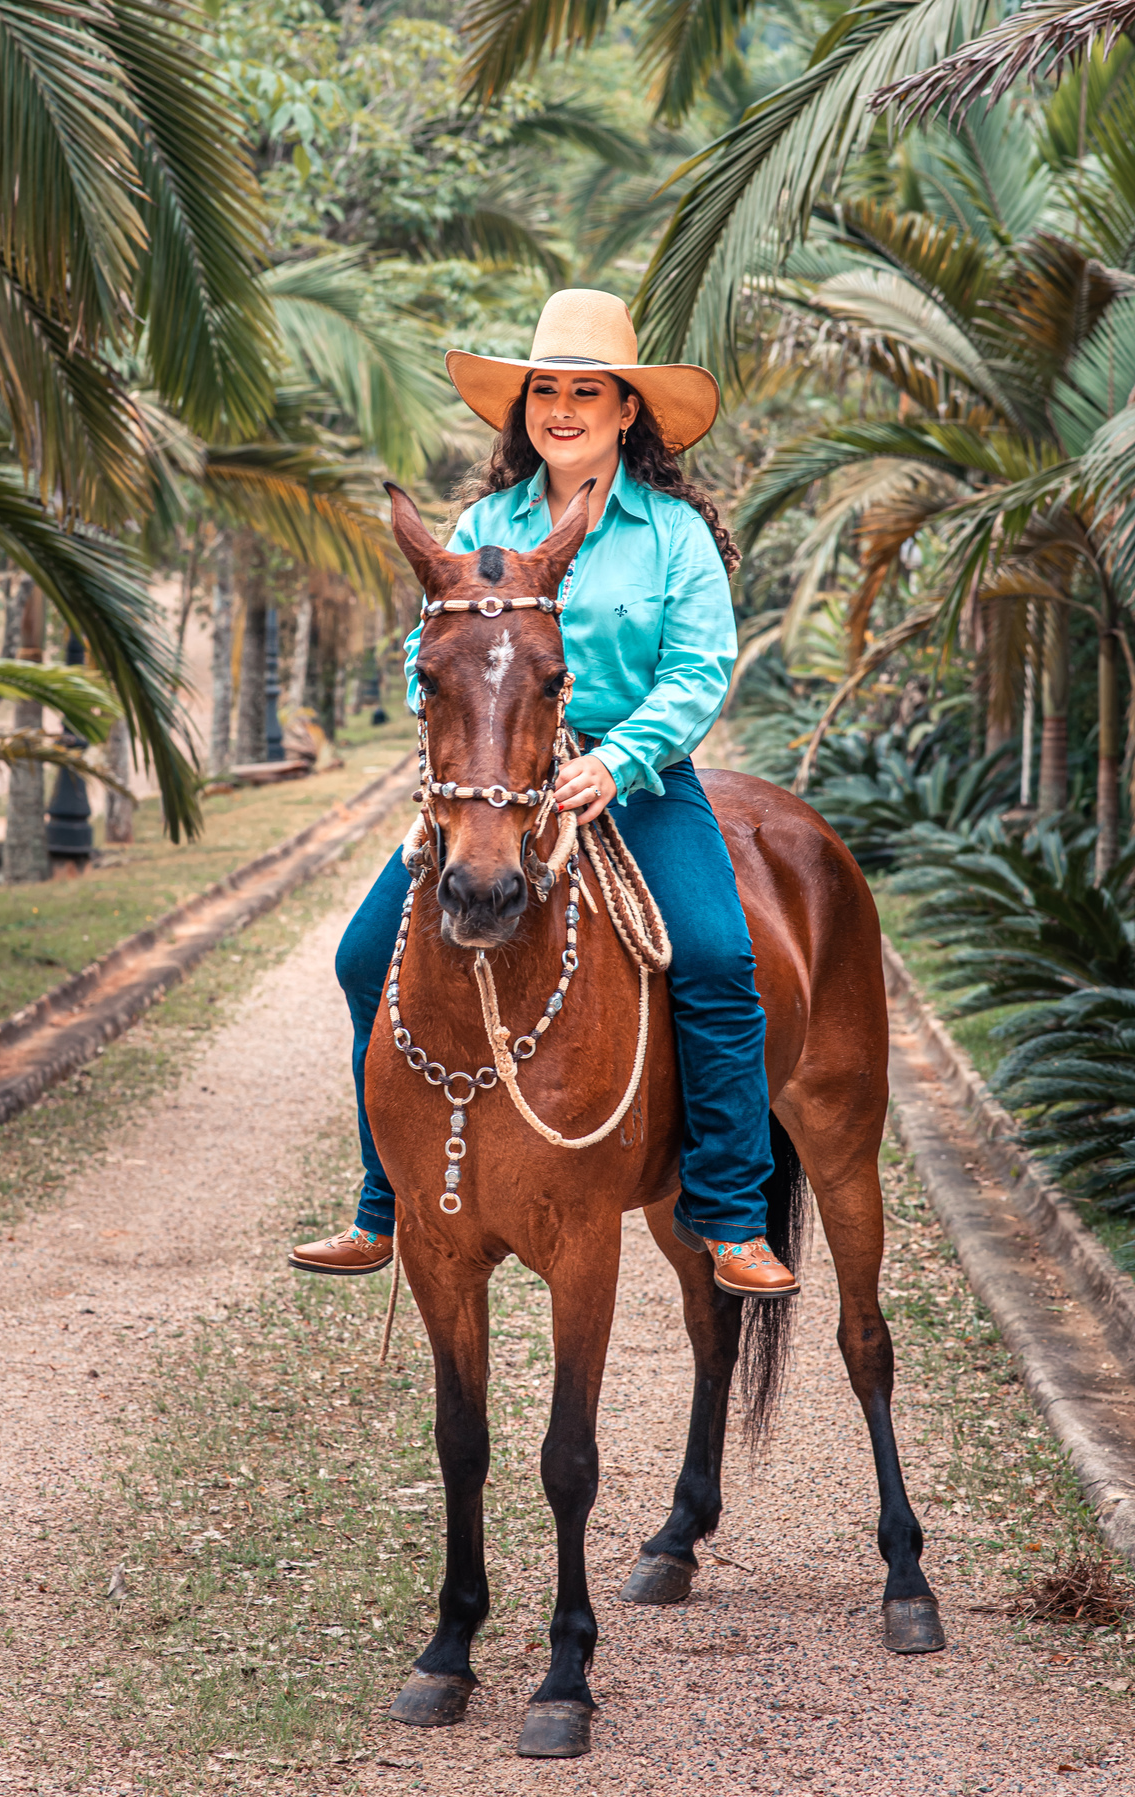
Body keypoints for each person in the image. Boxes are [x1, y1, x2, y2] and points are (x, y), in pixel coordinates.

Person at [290, 288, 798, 1298]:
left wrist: (616, 761)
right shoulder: (484, 524)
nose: (562, 407)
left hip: (634, 776)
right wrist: (458, 745)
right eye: (545, 390)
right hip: (493, 777)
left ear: (625, 411)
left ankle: (733, 1215)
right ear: (524, 409)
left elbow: (699, 670)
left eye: (586, 390)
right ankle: (379, 1204)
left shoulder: (671, 536)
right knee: (360, 959)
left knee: (712, 955)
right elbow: (425, 649)